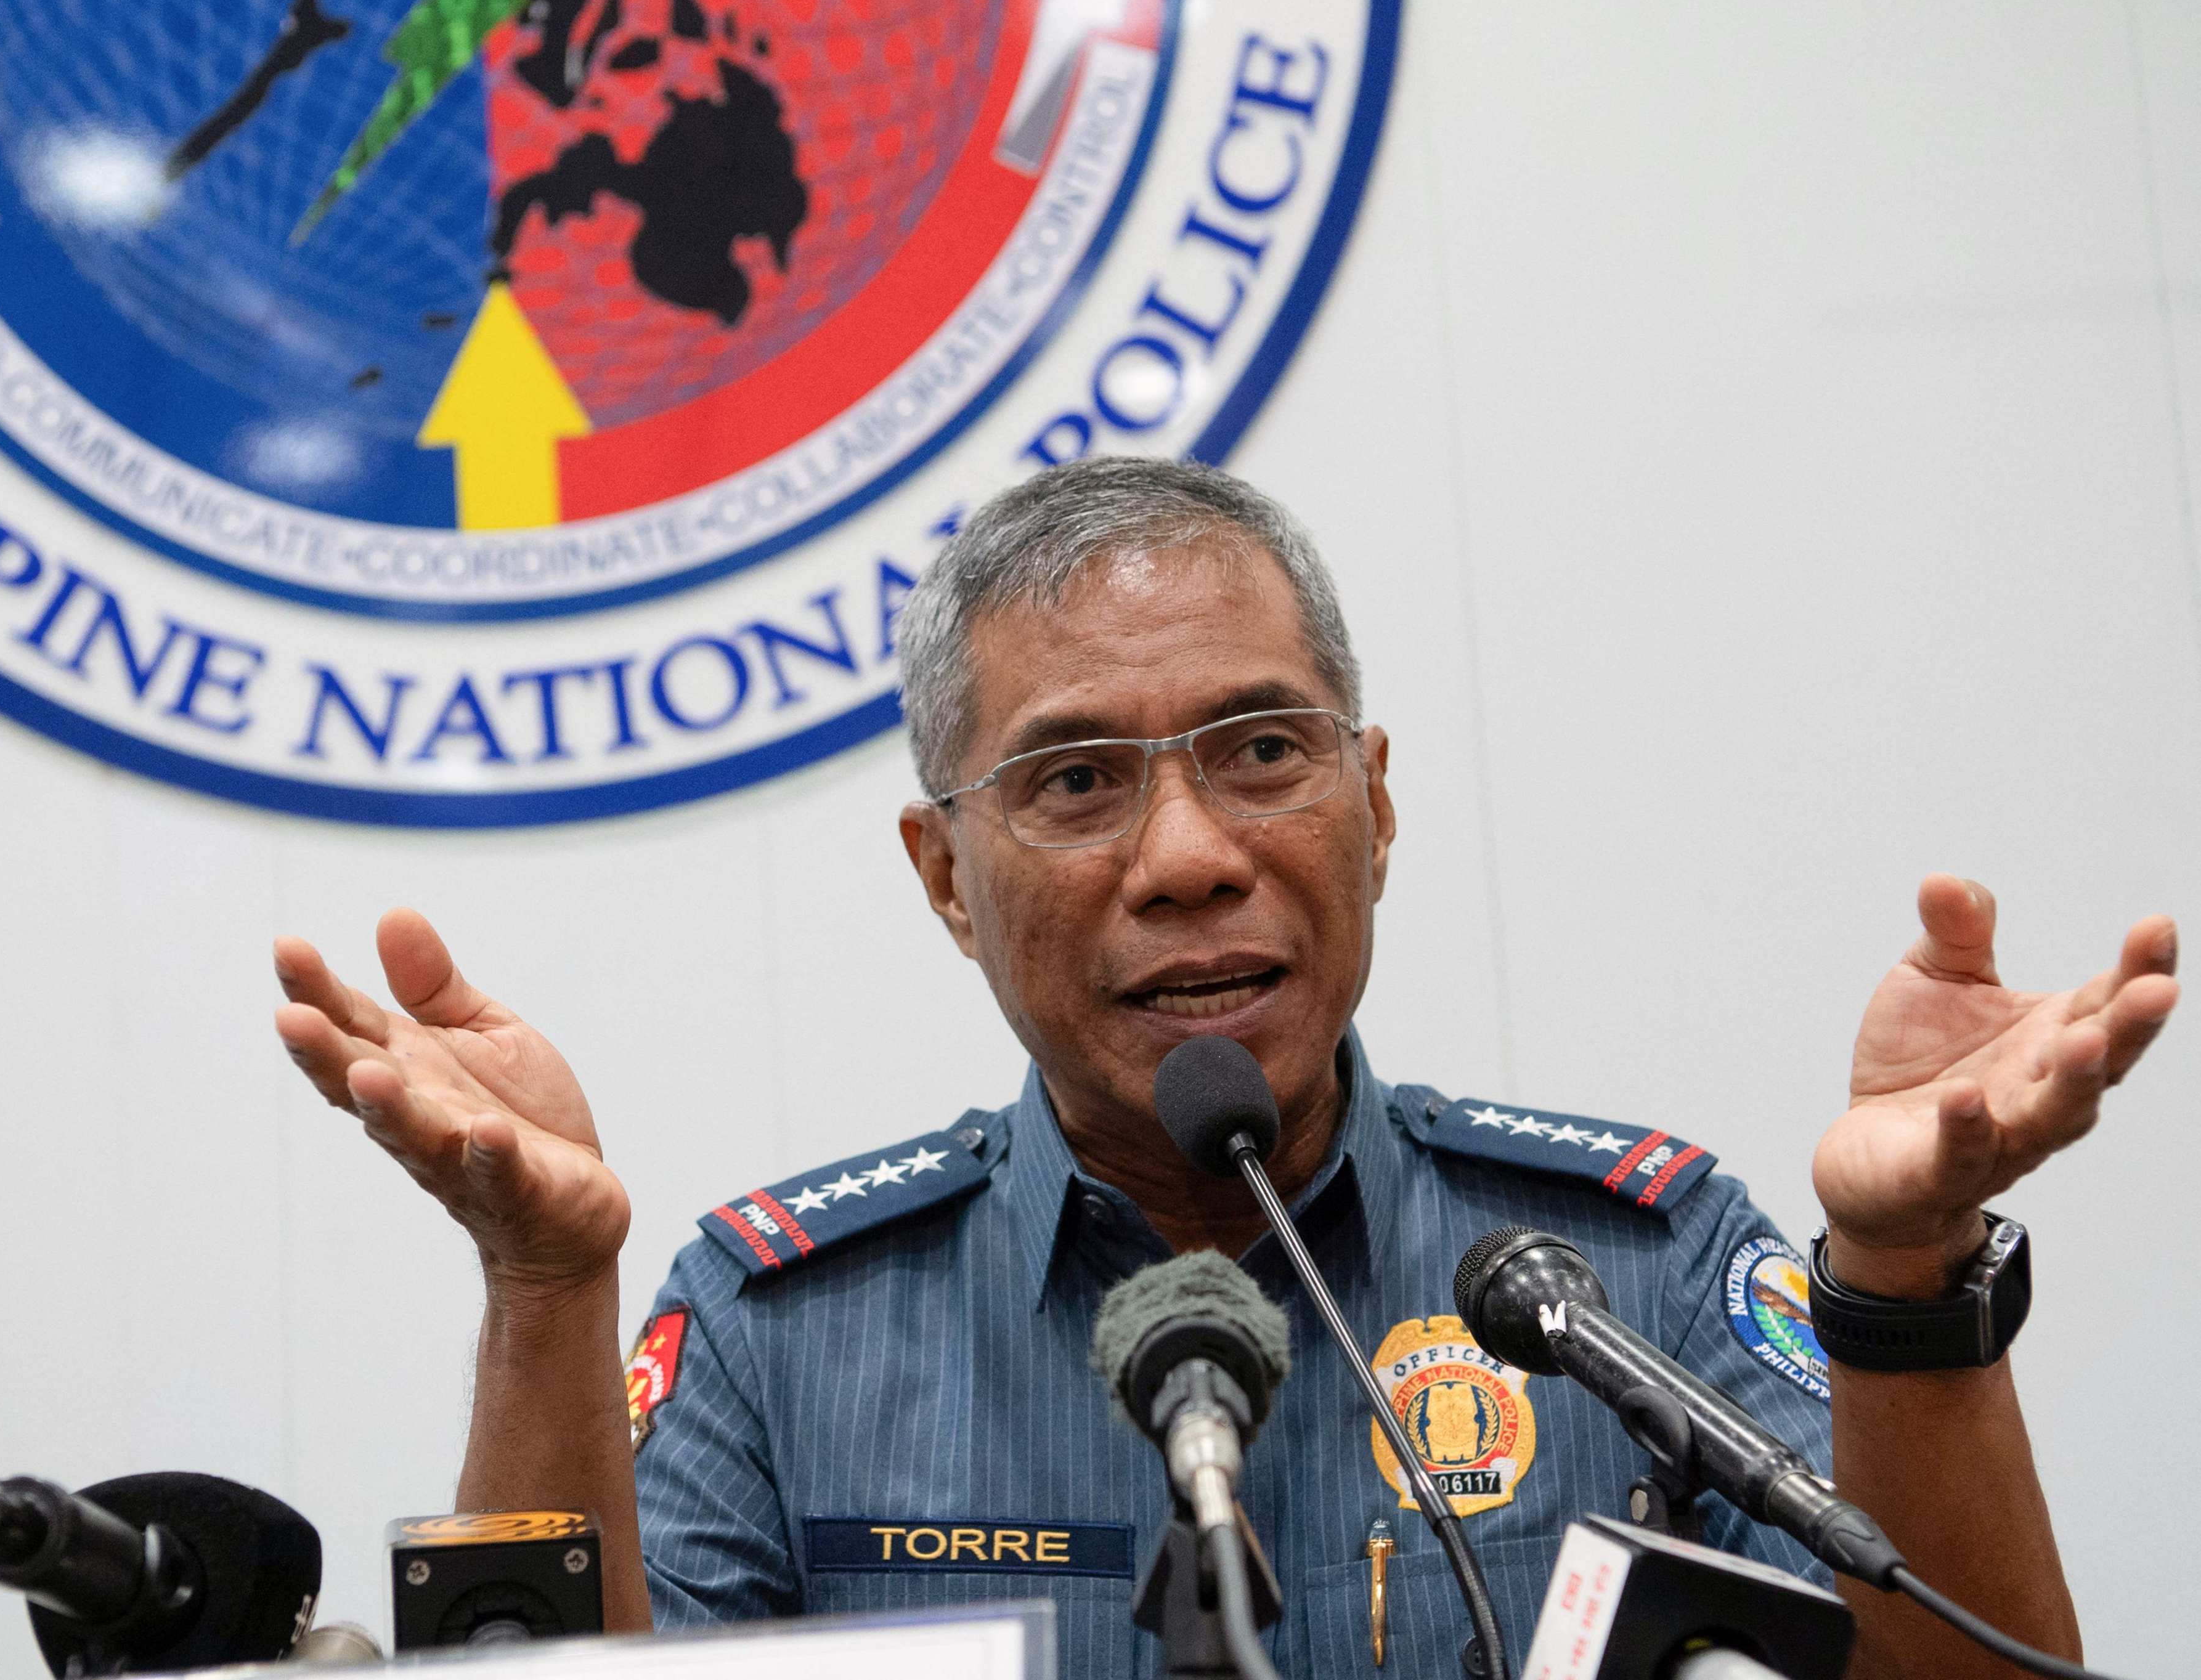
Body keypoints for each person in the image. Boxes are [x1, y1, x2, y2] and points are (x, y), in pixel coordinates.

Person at [270, 458, 2178, 1677]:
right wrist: (543, 1289)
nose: (1188, 851)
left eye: (1265, 748)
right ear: (947, 876)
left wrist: (1911, 1281)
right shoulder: (782, 1331)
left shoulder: (1633, 1269)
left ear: (1377, 801)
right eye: (1079, 781)